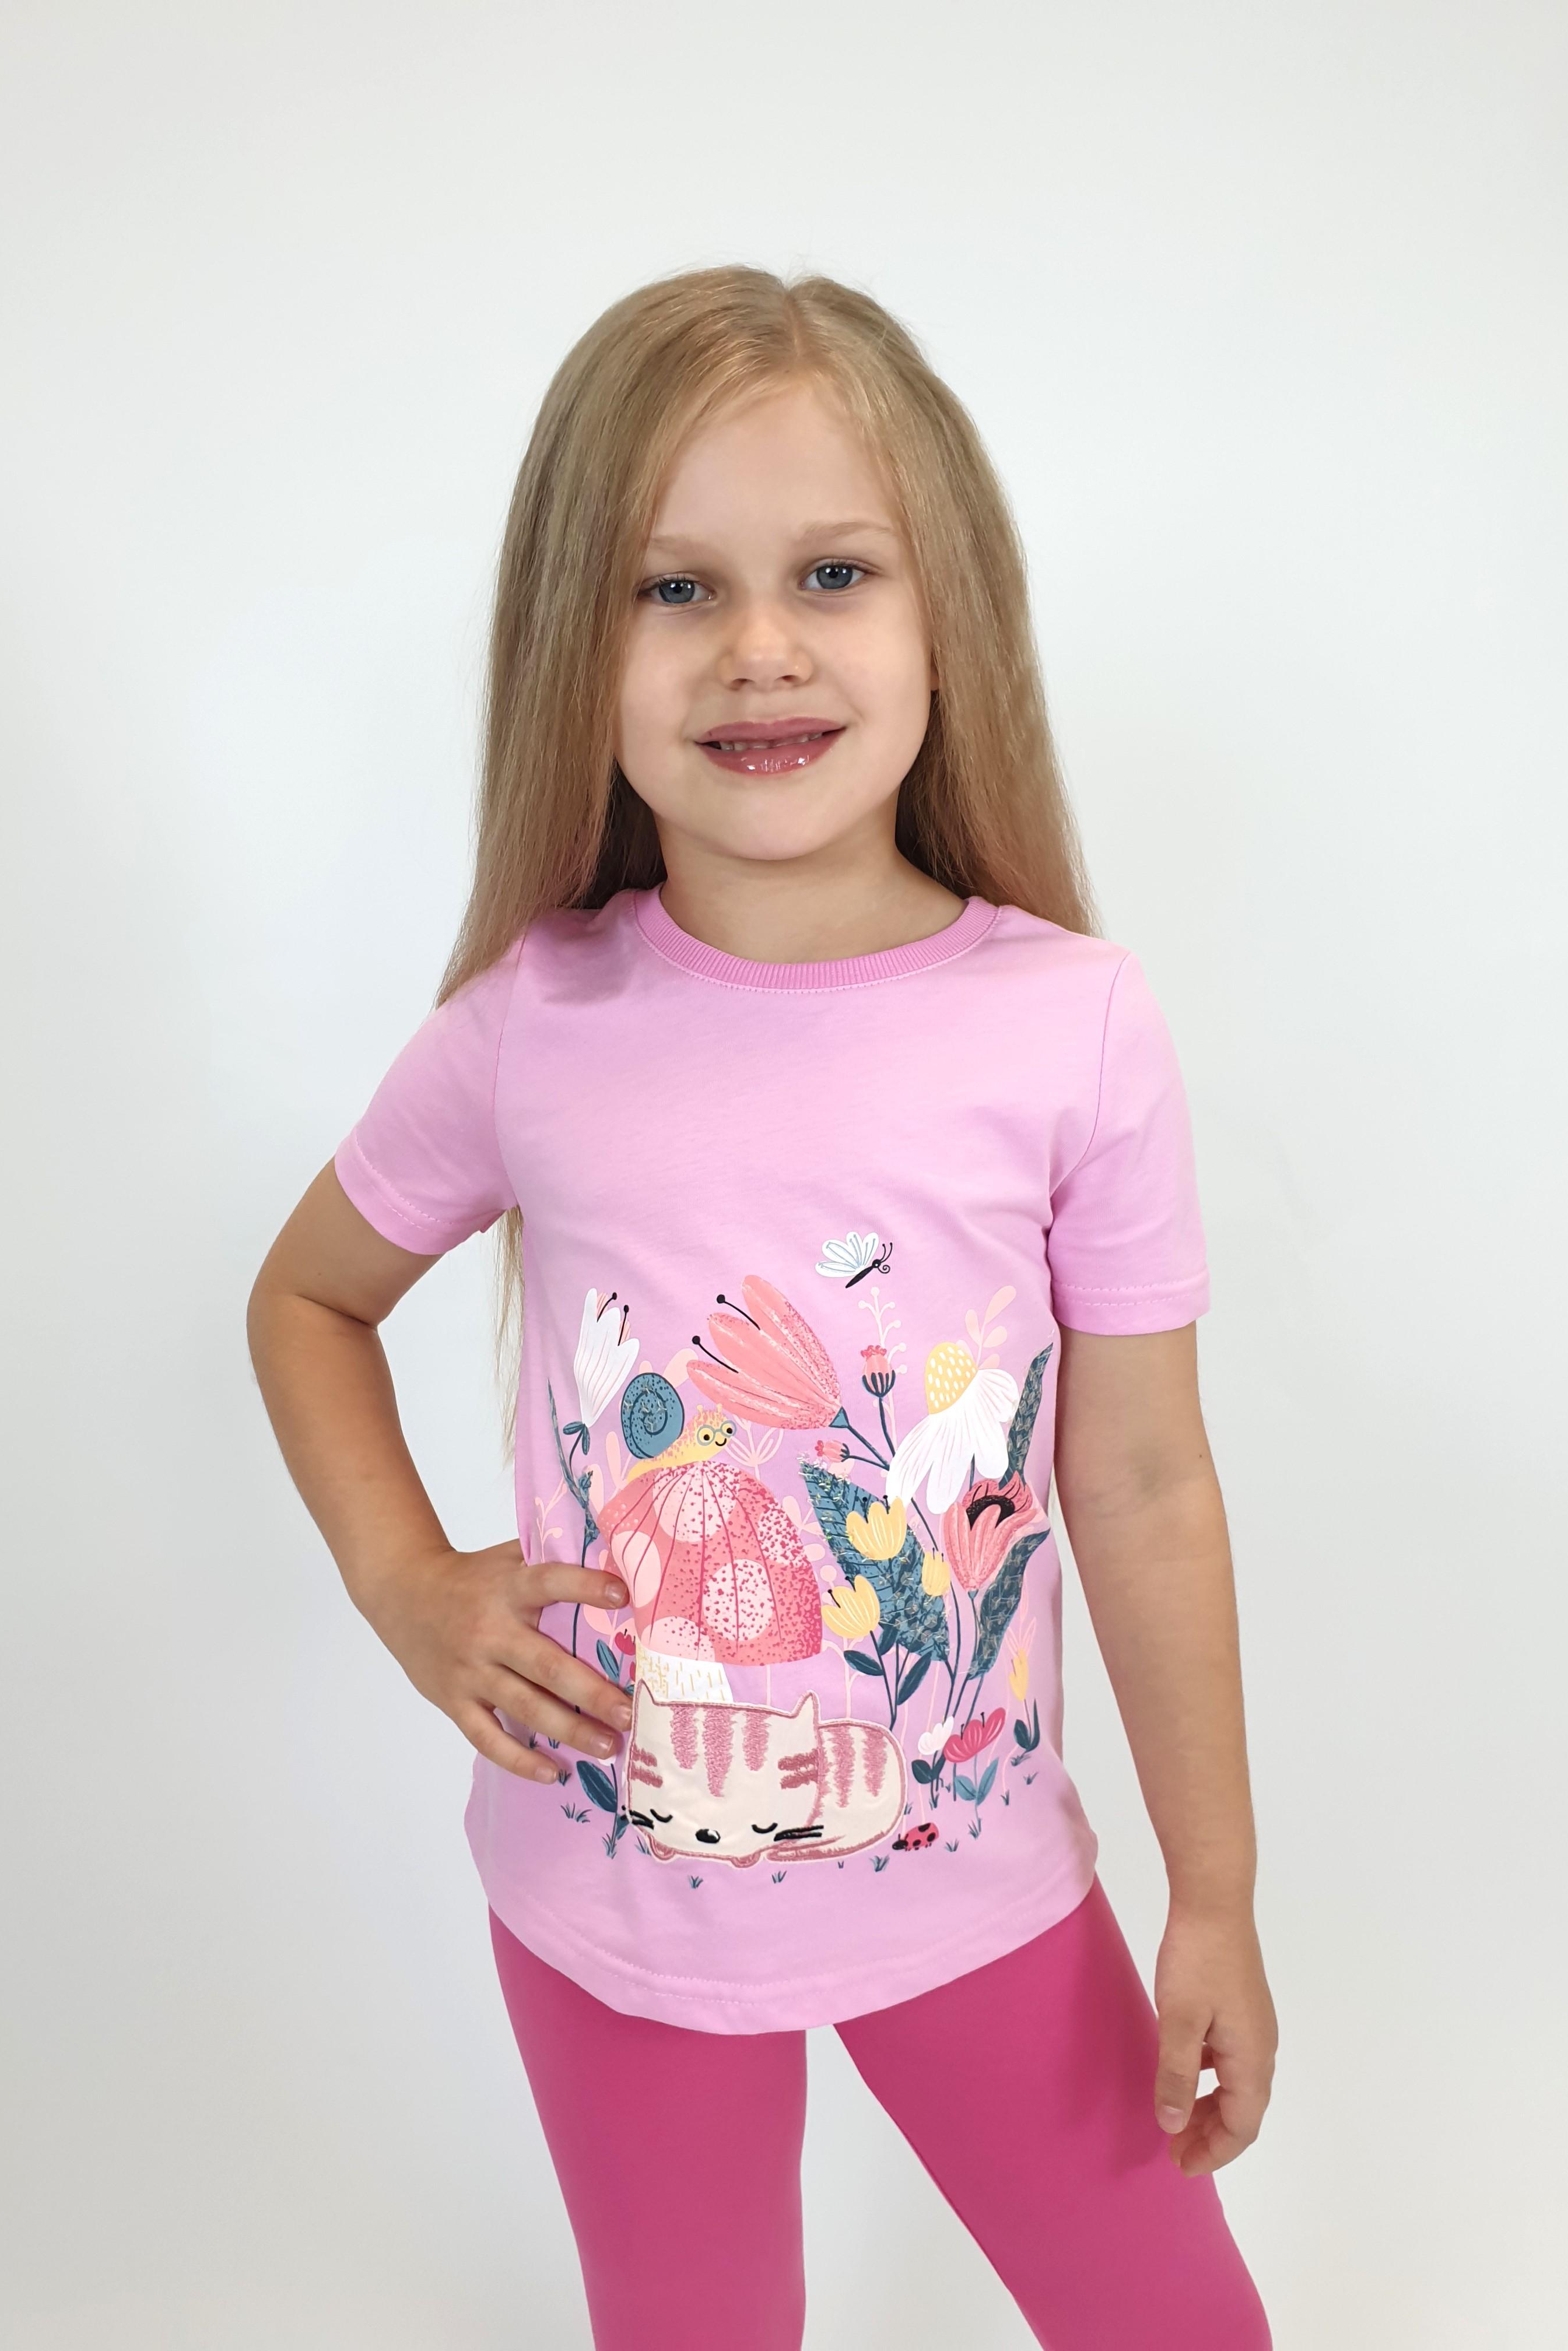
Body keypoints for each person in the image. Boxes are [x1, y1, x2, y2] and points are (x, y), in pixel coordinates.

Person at [247, 265, 1277, 2350]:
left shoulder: (1073, 1025)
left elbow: (1147, 1483)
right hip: (607, 1893)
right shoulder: (534, 1022)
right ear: (579, 642)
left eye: (831, 571)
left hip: (981, 1887)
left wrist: (1217, 1892)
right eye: (675, 588)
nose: (762, 648)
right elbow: (307, 1300)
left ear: (946, 614)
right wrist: (406, 1583)